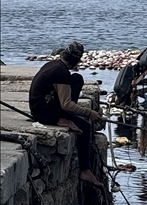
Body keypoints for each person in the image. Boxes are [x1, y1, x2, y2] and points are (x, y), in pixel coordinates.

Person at [28, 42, 104, 186]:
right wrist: (89, 112)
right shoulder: (61, 72)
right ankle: (85, 171)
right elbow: (66, 104)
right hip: (44, 113)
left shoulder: (55, 65)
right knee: (85, 127)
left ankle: (63, 117)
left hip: (41, 109)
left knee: (76, 79)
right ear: (77, 60)